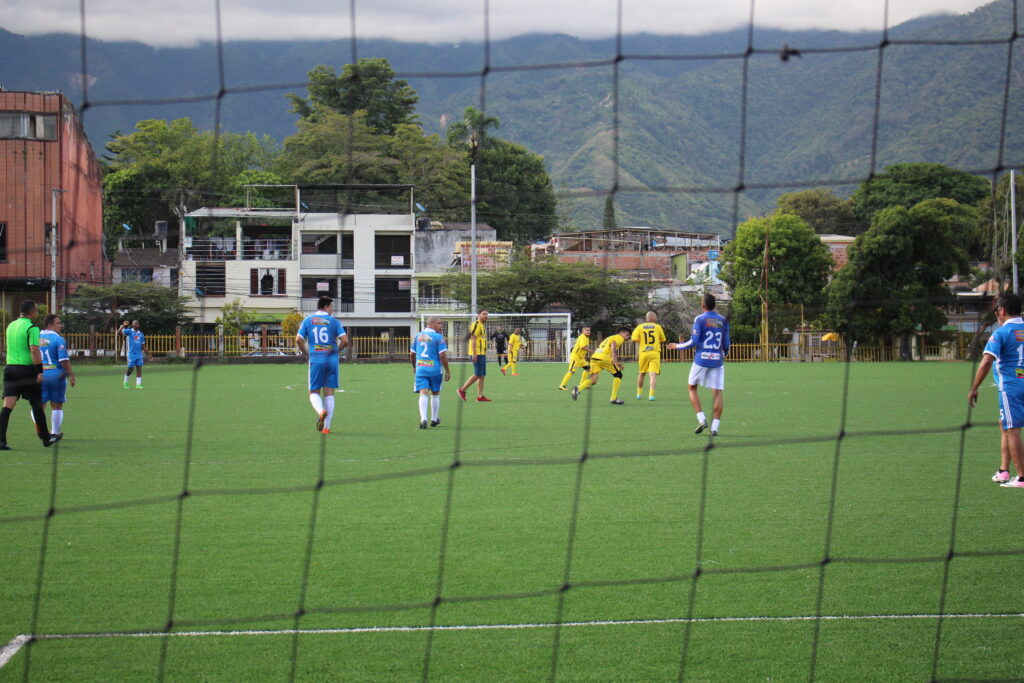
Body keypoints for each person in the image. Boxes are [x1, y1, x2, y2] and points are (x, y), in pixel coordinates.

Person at [968, 292, 1024, 488]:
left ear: (1002, 311)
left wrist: (974, 388)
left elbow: (985, 362)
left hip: (1011, 387)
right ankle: (1004, 470)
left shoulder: (1001, 333)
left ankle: (1022, 478)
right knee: (1005, 425)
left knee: (1012, 429)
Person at [0, 299, 61, 449]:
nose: (37, 313)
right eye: (36, 311)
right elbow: (34, 350)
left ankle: (1, 441)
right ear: (32, 312)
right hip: (26, 370)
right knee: (36, 404)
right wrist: (40, 371)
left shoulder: (11, 326)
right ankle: (46, 438)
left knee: (7, 406)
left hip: (10, 369)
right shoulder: (32, 328)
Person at [668, 293, 730, 436]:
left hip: (701, 359)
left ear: (702, 305)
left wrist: (677, 346)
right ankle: (715, 428)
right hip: (717, 360)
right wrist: (724, 354)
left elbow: (694, 341)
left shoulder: (700, 319)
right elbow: (726, 343)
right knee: (717, 392)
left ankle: (702, 419)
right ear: (715, 305)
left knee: (692, 388)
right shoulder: (723, 321)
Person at [296, 296, 349, 434]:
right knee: (329, 394)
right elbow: (345, 340)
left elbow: (298, 340)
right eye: (331, 307)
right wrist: (336, 351)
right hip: (331, 360)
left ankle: (320, 411)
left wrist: (307, 354)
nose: (332, 310)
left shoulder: (308, 321)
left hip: (316, 360)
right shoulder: (334, 322)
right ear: (326, 307)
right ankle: (326, 428)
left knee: (313, 392)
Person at [33, 314, 75, 437]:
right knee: (57, 405)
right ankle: (55, 432)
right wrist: (71, 375)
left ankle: (40, 428)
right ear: (50, 324)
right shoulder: (58, 339)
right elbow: (63, 360)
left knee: (40, 405)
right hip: (56, 374)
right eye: (58, 323)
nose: (60, 326)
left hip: (40, 375)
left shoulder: (36, 337)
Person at [410, 316, 451, 429]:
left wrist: (414, 367)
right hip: (435, 370)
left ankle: (423, 418)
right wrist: (447, 371)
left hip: (421, 369)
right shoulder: (438, 337)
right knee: (435, 394)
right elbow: (442, 355)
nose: (441, 326)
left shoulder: (418, 336)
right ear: (431, 324)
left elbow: (412, 354)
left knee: (423, 393)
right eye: (439, 323)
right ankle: (434, 418)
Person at [572, 327, 630, 405]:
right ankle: (613, 398)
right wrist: (614, 357)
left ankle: (578, 388)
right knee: (619, 375)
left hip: (595, 357)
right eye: (627, 334)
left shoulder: (609, 337)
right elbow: (613, 344)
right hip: (604, 358)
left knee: (593, 380)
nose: (628, 336)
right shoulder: (619, 337)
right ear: (622, 332)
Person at [631, 311, 667, 401]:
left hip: (643, 353)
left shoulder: (640, 327)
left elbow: (633, 338)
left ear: (646, 318)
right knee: (653, 374)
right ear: (654, 318)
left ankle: (639, 394)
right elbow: (663, 339)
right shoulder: (658, 327)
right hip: (654, 353)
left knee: (642, 373)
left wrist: (642, 340)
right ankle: (651, 395)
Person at [458, 309, 492, 402]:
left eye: (486, 314)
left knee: (482, 375)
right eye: (484, 314)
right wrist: (474, 353)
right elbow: (472, 340)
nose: (486, 316)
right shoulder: (476, 325)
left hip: (482, 353)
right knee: (477, 374)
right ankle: (462, 390)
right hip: (476, 353)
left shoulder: (483, 326)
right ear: (479, 315)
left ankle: (480, 396)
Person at [559, 326, 592, 391]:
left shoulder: (586, 338)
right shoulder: (582, 337)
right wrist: (593, 351)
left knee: (589, 369)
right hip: (575, 357)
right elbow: (583, 347)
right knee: (571, 372)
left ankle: (582, 384)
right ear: (583, 331)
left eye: (589, 330)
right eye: (586, 330)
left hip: (581, 358)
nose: (588, 331)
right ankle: (562, 385)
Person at [121, 319, 150, 389]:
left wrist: (149, 354)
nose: (136, 324)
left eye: (137, 323)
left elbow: (143, 346)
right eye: (134, 323)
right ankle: (125, 381)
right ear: (132, 325)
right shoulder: (129, 331)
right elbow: (119, 333)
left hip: (139, 354)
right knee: (130, 369)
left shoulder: (141, 334)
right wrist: (123, 326)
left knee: (139, 369)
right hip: (131, 354)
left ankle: (138, 384)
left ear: (139, 325)